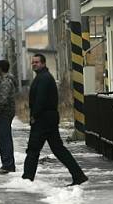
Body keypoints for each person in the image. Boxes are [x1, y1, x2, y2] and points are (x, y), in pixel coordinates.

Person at [22, 53, 88, 186]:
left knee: (33, 149)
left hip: (43, 119)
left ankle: (27, 180)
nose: (34, 64)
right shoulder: (43, 77)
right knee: (58, 149)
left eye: (37, 62)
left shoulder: (44, 79)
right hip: (48, 118)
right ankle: (78, 175)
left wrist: (34, 116)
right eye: (33, 62)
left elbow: (40, 100)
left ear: (43, 63)